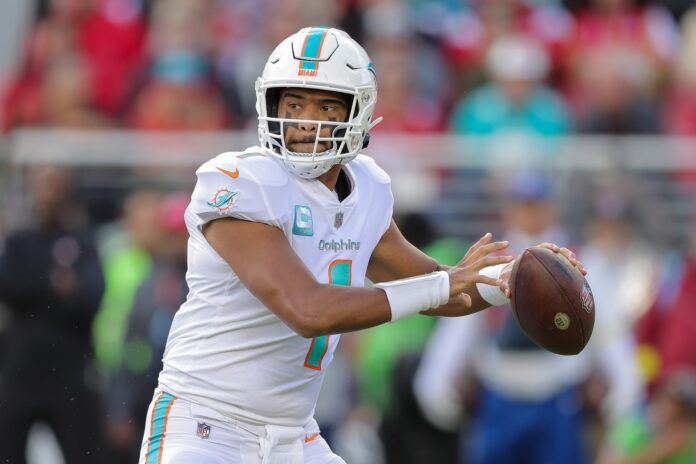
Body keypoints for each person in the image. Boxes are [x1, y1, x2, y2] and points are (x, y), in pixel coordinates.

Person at [139, 27, 584, 464]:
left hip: (293, 436)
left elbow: (442, 288)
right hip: (205, 424)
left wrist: (514, 276)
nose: (304, 121)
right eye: (293, 103)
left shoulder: (367, 188)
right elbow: (307, 310)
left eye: (325, 106)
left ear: (358, 112)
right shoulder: (240, 181)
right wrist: (444, 285)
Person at [0, 166, 105, 463]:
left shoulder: (83, 241)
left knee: (82, 453)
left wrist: (55, 291)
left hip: (69, 373)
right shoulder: (20, 239)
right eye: (44, 187)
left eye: (56, 187)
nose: (49, 196)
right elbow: (8, 286)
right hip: (20, 371)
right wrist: (53, 284)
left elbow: (92, 297)